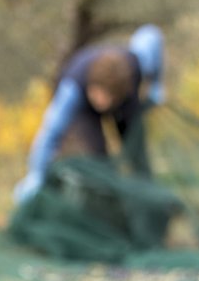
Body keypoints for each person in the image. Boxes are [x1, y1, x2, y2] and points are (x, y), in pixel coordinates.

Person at [11, 25, 166, 204]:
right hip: (86, 112)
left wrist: (156, 84)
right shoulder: (73, 88)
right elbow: (51, 131)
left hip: (125, 103)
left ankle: (146, 199)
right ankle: (105, 202)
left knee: (136, 149)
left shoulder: (136, 63)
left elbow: (151, 36)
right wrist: (36, 176)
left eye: (105, 97)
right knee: (96, 156)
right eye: (96, 95)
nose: (100, 101)